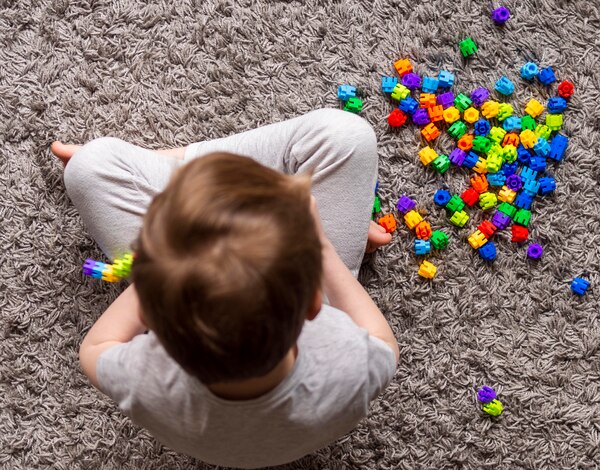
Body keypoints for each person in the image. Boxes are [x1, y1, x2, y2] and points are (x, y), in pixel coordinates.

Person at [52, 108, 399, 469]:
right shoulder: (346, 367)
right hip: (303, 282)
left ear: (151, 317)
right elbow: (384, 341)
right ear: (313, 301)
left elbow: (95, 347)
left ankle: (180, 176)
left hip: (200, 286)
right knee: (347, 134)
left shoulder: (147, 380)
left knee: (88, 167)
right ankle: (219, 189)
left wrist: (159, 265)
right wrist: (324, 247)